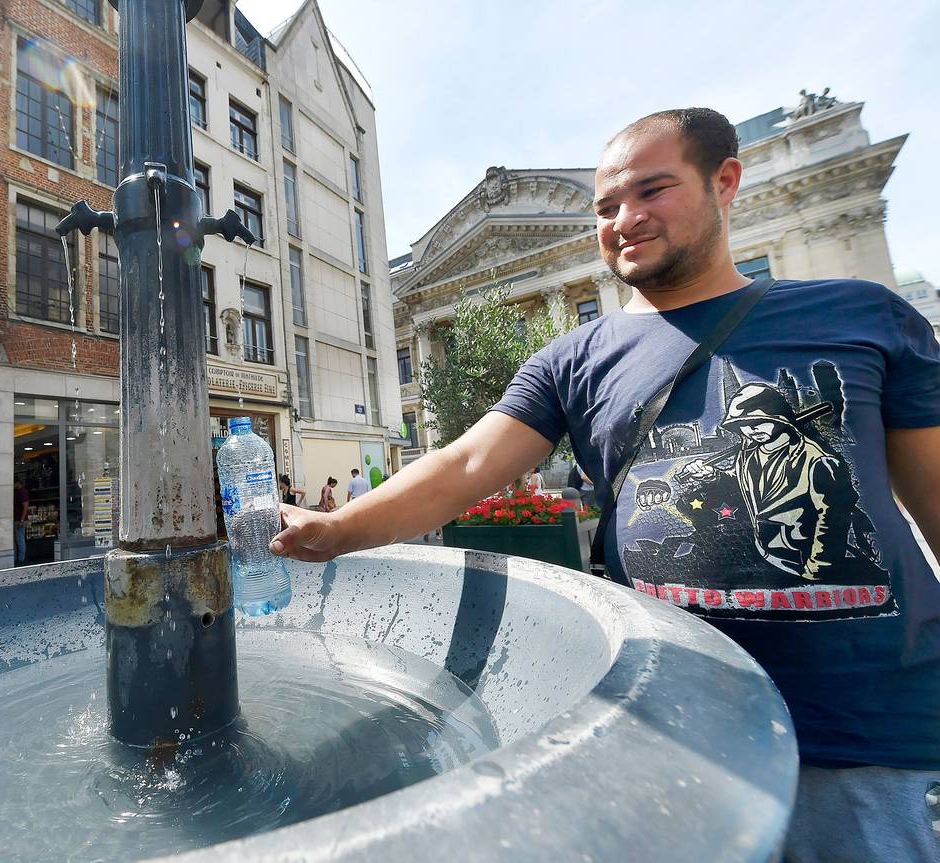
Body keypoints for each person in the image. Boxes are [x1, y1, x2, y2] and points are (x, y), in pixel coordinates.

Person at [270, 108, 940, 862]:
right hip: (675, 724)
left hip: (866, 740)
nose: (625, 219)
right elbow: (463, 465)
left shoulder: (860, 313)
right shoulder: (571, 359)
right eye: (606, 207)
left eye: (653, 190)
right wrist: (333, 529)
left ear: (726, 182)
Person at [13, 477, 29, 565]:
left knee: (20, 539)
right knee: (18, 539)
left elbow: (25, 506)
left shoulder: (22, 492)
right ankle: (19, 558)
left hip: (20, 519)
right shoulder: (17, 491)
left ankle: (21, 559)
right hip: (17, 519)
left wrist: (22, 520)